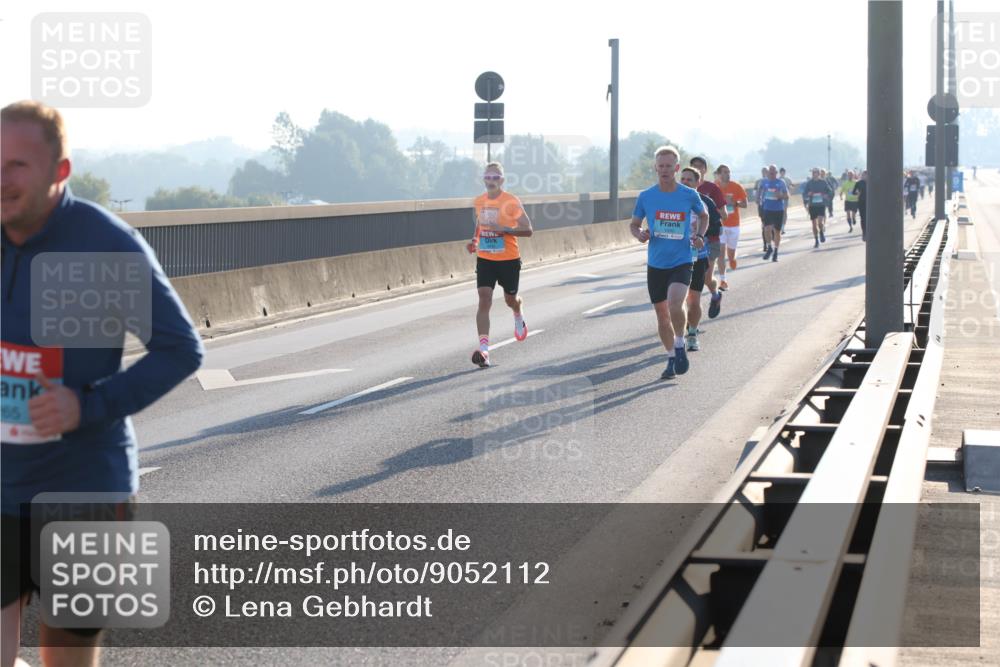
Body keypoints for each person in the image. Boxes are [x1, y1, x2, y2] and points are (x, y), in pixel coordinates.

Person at [1, 100, 204, 667]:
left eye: (18, 164)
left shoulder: (102, 244)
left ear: (58, 172)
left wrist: (85, 406)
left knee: (63, 660)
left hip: (84, 491)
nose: (2, 178)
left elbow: (180, 349)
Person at [630, 146, 708, 380]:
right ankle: (671, 356)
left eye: (668, 166)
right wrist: (639, 234)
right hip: (656, 263)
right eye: (660, 166)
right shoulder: (646, 196)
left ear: (676, 168)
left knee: (676, 303)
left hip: (681, 260)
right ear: (655, 168)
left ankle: (680, 341)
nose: (664, 170)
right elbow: (634, 224)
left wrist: (700, 236)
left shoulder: (688, 194)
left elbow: (703, 215)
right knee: (662, 315)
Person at [466, 162, 533, 368]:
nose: (492, 181)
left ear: (502, 180)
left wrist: (504, 229)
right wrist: (475, 240)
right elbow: (480, 223)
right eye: (488, 177)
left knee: (510, 299)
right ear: (484, 179)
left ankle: (518, 311)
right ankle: (484, 351)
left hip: (509, 260)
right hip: (486, 259)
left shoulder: (511, 201)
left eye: (496, 178)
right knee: (484, 300)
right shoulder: (479, 201)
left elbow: (528, 229)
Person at [679, 168, 723, 353]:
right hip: (675, 257)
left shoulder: (705, 202)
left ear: (698, 183)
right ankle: (678, 335)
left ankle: (692, 333)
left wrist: (700, 235)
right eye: (683, 179)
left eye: (690, 179)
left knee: (693, 298)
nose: (685, 182)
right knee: (676, 299)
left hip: (699, 255)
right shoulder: (673, 200)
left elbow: (716, 226)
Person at [688, 157, 726, 292]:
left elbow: (724, 214)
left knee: (706, 279)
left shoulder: (711, 189)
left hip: (710, 239)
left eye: (700, 166)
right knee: (688, 277)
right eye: (694, 166)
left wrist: (705, 218)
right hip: (690, 240)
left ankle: (715, 295)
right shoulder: (680, 192)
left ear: (705, 169)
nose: (697, 168)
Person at [714, 164, 748, 288]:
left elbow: (745, 204)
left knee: (730, 254)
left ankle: (733, 259)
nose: (727, 174)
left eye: (728, 172)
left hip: (734, 224)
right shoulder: (714, 187)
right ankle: (723, 280)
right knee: (720, 253)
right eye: (724, 172)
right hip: (720, 224)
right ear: (719, 174)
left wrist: (734, 202)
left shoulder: (736, 186)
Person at [759, 164, 789, 261]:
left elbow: (787, 195)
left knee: (777, 232)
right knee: (766, 229)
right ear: (767, 173)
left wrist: (781, 195)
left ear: (776, 173)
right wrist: (759, 200)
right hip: (767, 209)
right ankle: (769, 247)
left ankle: (776, 250)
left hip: (778, 210)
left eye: (774, 172)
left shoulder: (781, 182)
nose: (772, 174)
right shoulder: (764, 182)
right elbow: (760, 192)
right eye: (770, 172)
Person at [802, 168, 834, 248]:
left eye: (816, 173)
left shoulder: (823, 182)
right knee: (813, 224)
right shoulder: (809, 183)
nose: (815, 174)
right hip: (812, 206)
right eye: (813, 173)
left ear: (819, 174)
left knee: (820, 222)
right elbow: (804, 194)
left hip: (821, 205)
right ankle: (816, 240)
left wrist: (826, 195)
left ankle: (821, 232)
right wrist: (808, 194)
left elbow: (830, 191)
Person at [754, 167, 768, 252]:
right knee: (764, 226)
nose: (764, 173)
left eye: (766, 171)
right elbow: (755, 193)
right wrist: (757, 200)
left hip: (772, 206)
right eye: (763, 171)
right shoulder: (759, 182)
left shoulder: (773, 181)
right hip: (762, 206)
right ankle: (765, 244)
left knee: (771, 226)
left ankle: (770, 239)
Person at [853, 170, 868, 241]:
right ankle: (864, 232)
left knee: (869, 218)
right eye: (864, 175)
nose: (865, 176)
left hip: (870, 203)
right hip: (861, 202)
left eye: (867, 175)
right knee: (863, 218)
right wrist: (857, 193)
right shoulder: (859, 183)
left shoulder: (872, 182)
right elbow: (853, 192)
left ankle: (870, 231)